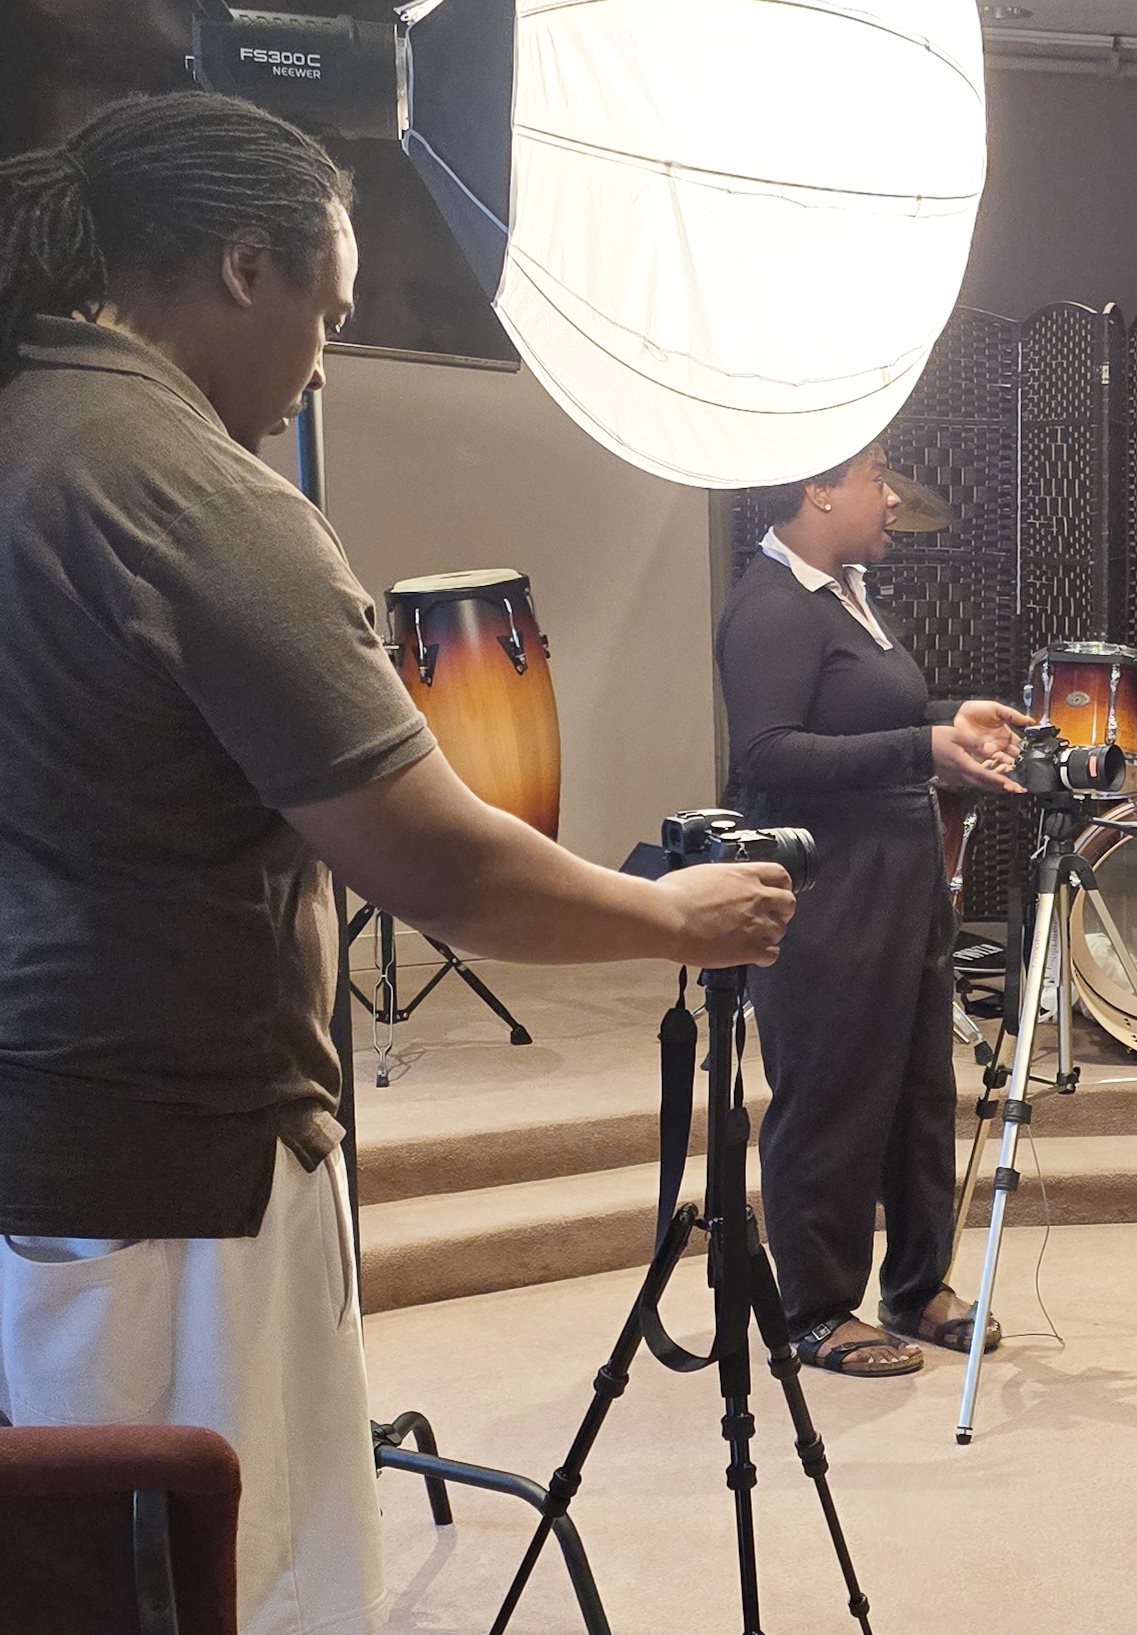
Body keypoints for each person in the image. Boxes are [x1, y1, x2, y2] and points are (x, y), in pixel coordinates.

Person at [0, 95, 795, 1635]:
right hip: (175, 1173)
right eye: (328, 312)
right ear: (247, 266)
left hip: (47, 1137)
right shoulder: (191, 496)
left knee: (61, 1563)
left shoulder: (28, 424)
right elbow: (441, 862)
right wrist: (670, 916)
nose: (323, 360)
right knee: (234, 1571)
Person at [719, 449, 1027, 1377]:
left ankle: (916, 1285)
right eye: (875, 476)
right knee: (833, 1096)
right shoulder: (768, 607)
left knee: (917, 1092)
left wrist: (947, 718)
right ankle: (814, 1309)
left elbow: (858, 716)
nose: (892, 496)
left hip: (900, 880)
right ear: (817, 490)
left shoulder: (842, 594)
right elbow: (768, 755)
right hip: (829, 895)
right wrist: (920, 742)